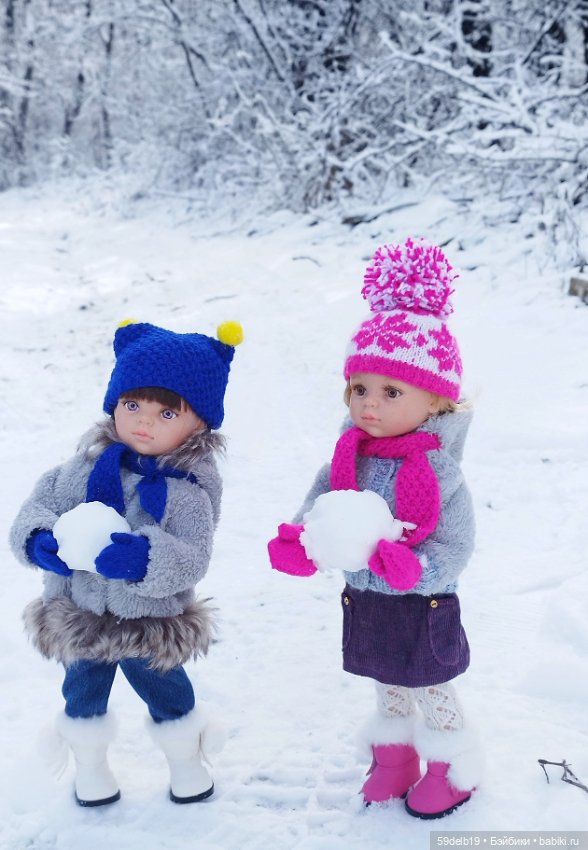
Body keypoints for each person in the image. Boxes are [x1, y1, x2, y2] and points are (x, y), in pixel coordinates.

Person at [267, 238, 482, 819]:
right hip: (366, 595)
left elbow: (457, 542)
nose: (370, 406)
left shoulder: (439, 471)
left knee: (430, 686)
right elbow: (321, 501)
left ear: (435, 400)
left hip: (424, 603)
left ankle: (451, 765)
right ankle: (395, 758)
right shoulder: (349, 455)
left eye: (391, 392)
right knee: (386, 681)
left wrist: (420, 566)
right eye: (359, 389)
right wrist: (299, 538)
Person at [10, 319, 242, 807]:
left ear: (198, 421)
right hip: (79, 614)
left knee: (166, 693)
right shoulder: (83, 467)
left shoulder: (187, 492)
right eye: (132, 405)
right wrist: (38, 540)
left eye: (165, 413)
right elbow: (37, 506)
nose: (143, 421)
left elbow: (193, 556)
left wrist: (144, 560)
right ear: (113, 404)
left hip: (149, 620)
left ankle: (187, 763)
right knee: (82, 696)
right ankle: (91, 771)